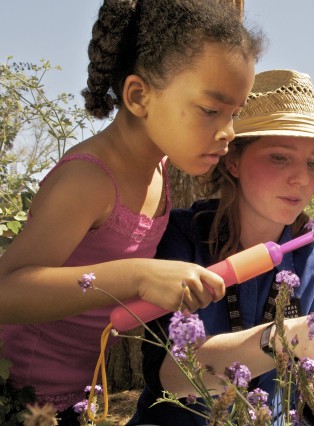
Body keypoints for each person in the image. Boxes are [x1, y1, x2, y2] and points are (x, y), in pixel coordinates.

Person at [0, 1, 264, 423]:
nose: (228, 132)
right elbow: (6, 292)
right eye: (211, 110)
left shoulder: (158, 168)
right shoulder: (88, 180)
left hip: (82, 395)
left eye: (235, 113)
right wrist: (139, 276)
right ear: (140, 96)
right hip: (24, 399)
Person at [128, 69, 314, 425]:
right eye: (279, 157)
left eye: (313, 163)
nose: (300, 177)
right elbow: (168, 375)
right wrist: (284, 337)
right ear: (233, 160)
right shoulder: (181, 236)